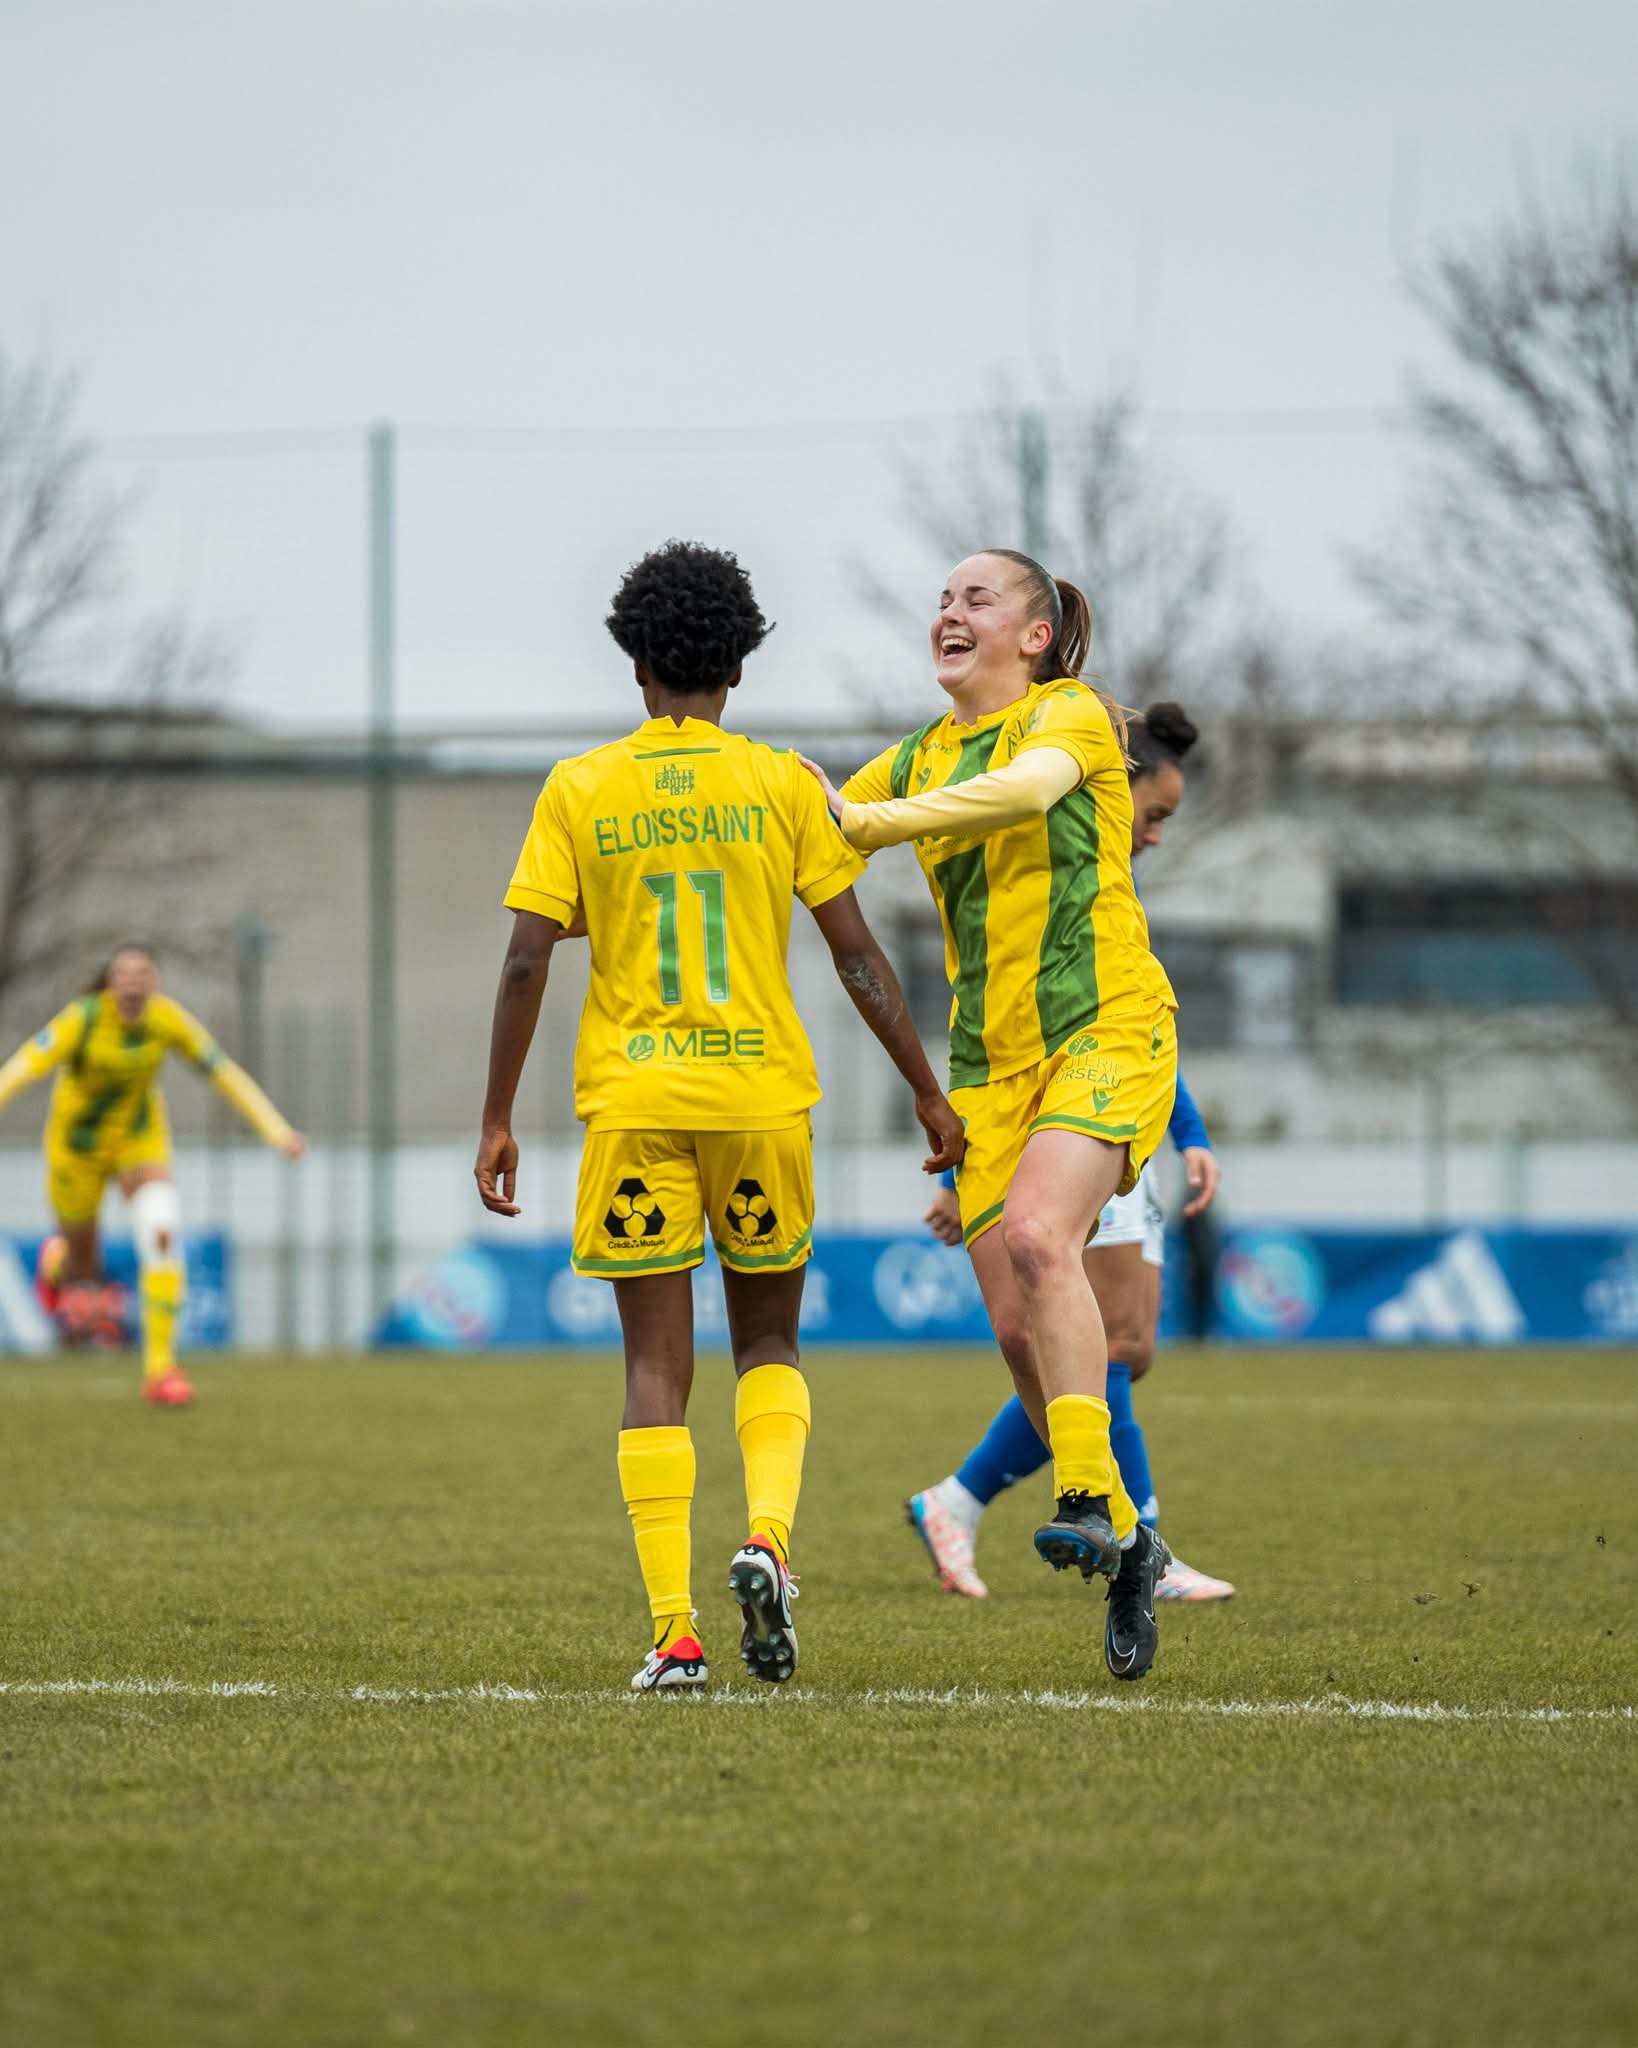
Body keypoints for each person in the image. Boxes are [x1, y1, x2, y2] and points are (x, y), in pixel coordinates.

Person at [475, 540, 963, 1695]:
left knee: (656, 1365)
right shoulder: (785, 784)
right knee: (770, 1344)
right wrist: (926, 1087)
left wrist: (495, 1113)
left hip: (636, 1105)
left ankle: (676, 1632)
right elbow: (855, 956)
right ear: (737, 670)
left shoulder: (580, 788)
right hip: (759, 1099)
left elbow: (523, 961)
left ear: (638, 665)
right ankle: (771, 1543)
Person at [804, 550, 1180, 1681]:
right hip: (989, 1070)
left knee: (1037, 1239)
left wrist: (868, 824)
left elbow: (1015, 795)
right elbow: (801, 823)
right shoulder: (923, 753)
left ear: (1033, 632)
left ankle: (1079, 1492)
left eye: (976, 597)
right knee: (1019, 1329)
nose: (948, 612)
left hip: (1104, 1028)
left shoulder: (1069, 717)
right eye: (942, 598)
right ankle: (1129, 1540)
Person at [907, 705, 1235, 1604]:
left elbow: (1131, 1013)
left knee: (1119, 1342)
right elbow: (1024, 1013)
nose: (1155, 837)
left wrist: (1189, 1131)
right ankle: (1136, 1538)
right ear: (1113, 783)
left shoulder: (1101, 876)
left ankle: (965, 1498)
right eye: (1154, 816)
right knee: (1107, 1341)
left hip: (1104, 1103)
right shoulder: (1055, 851)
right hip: (1054, 1110)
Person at [0, 944, 306, 1405]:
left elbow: (222, 1073)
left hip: (138, 1145)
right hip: (75, 1153)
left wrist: (275, 1129)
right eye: (124, 973)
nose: (133, 981)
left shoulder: (167, 1021)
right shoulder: (82, 1020)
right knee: (84, 1270)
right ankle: (57, 1262)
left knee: (162, 1229)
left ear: (154, 983)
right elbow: (25, 1066)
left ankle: (161, 1370)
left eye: (143, 973)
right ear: (110, 983)